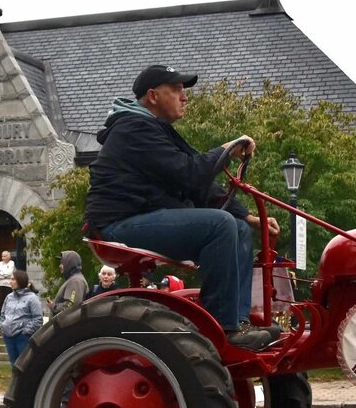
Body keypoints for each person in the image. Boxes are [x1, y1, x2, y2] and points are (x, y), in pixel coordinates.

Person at [84, 64, 280, 350]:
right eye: (176, 90)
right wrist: (224, 150)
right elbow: (189, 173)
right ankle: (222, 328)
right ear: (153, 95)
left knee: (236, 227)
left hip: (142, 217)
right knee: (220, 225)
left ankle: (237, 323)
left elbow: (196, 185)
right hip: (118, 225)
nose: (184, 97)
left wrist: (248, 216)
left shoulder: (155, 129)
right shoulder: (134, 128)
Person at [0, 270, 43, 364]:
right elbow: (3, 314)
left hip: (22, 337)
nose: (10, 282)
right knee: (13, 363)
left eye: (13, 279)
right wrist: (3, 327)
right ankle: (15, 379)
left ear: (20, 280)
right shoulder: (9, 297)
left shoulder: (32, 298)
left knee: (24, 364)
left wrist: (25, 332)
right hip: (8, 336)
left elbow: (38, 319)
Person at [50, 250, 88, 316]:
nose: (60, 266)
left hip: (70, 326)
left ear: (69, 263)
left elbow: (71, 306)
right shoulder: (74, 279)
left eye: (62, 263)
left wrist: (54, 307)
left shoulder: (76, 281)